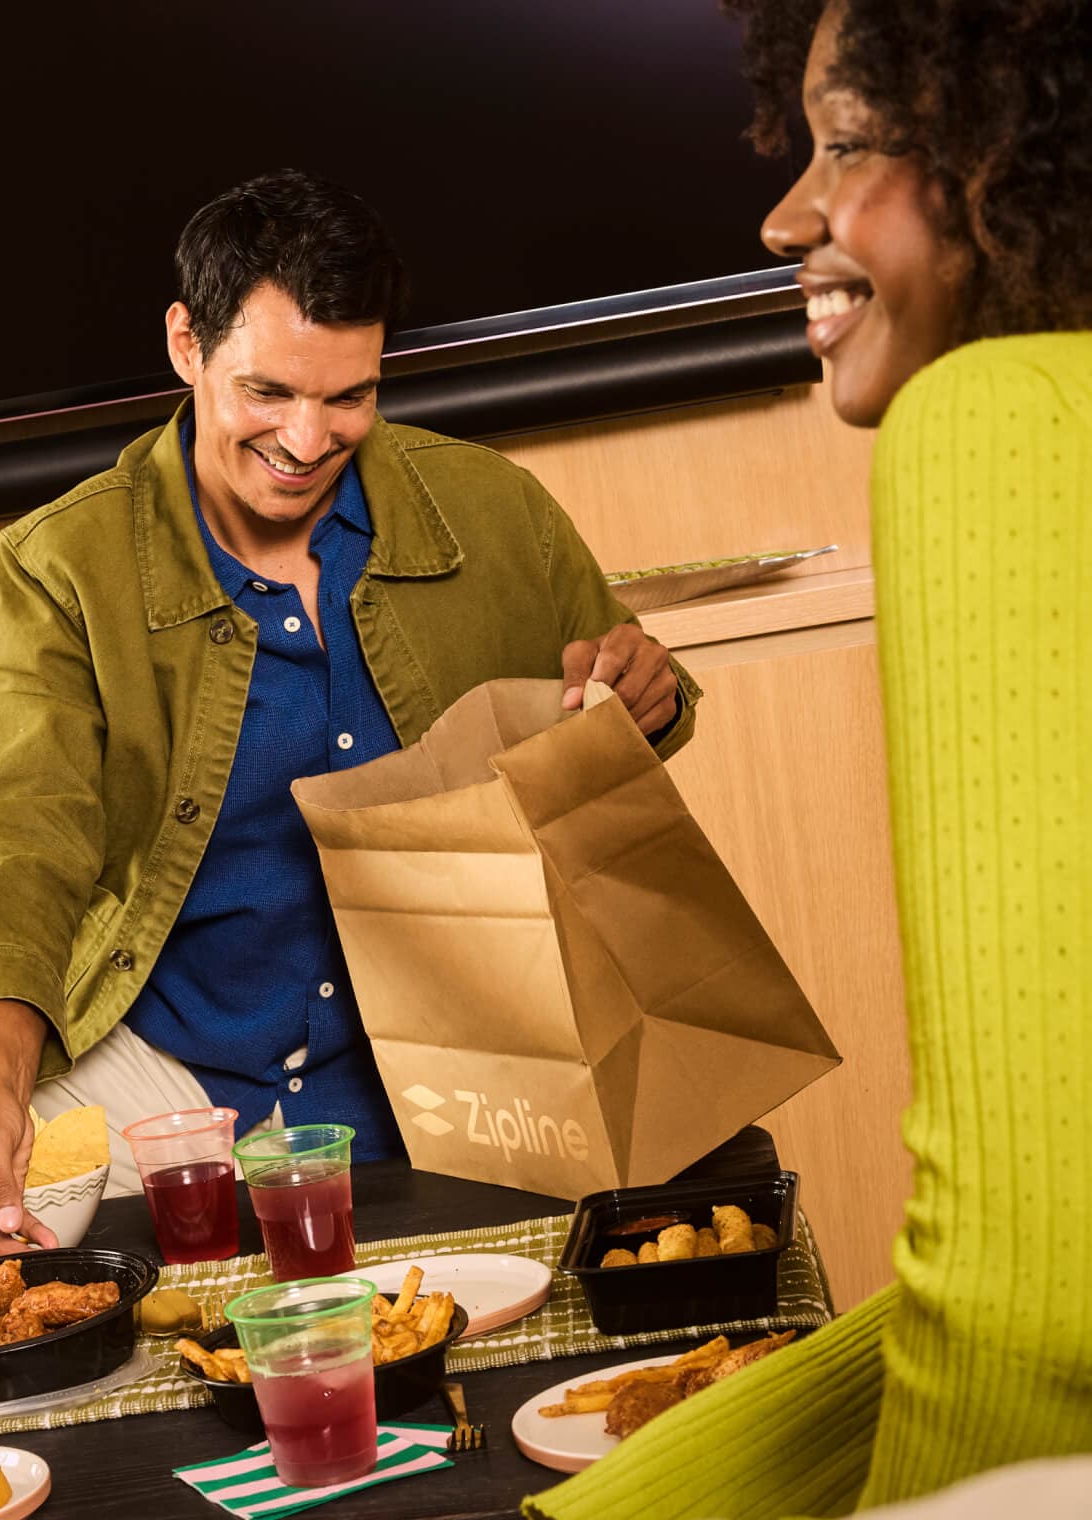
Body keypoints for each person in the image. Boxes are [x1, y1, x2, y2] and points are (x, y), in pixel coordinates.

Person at [0, 168, 700, 1264]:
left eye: (347, 397)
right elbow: (13, 840)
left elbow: (630, 693)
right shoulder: (63, 565)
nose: (306, 439)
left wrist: (648, 695)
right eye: (267, 392)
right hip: (176, 1083)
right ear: (185, 343)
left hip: (459, 1060)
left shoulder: (493, 509)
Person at [526, 3, 1091, 1517]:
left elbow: (1034, 1286)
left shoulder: (992, 419)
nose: (786, 216)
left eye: (850, 146)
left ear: (1019, 154)